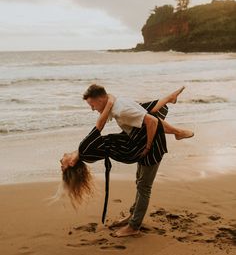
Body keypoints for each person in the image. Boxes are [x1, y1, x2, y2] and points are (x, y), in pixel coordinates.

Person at [60, 85, 194, 237]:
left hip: (150, 146)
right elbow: (102, 123)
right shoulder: (115, 106)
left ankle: (134, 226)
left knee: (144, 187)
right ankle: (133, 216)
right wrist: (109, 101)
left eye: (92, 105)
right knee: (140, 182)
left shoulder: (120, 110)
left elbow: (152, 122)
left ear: (100, 99)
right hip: (139, 143)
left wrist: (148, 147)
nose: (92, 109)